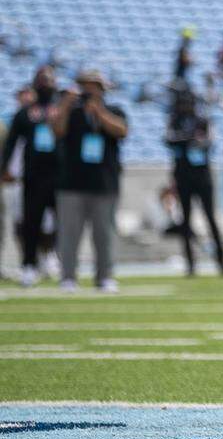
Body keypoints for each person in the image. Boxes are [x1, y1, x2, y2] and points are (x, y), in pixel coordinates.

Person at [51, 69, 129, 293]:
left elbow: (122, 131)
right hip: (71, 182)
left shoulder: (113, 110)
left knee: (104, 234)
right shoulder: (71, 112)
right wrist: (65, 105)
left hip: (104, 183)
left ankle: (104, 276)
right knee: (69, 234)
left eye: (93, 85)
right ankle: (68, 276)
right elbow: (56, 131)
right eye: (84, 85)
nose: (88, 89)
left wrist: (99, 112)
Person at [1, 65, 60, 287]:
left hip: (60, 175)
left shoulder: (62, 109)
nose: (46, 83)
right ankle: (28, 264)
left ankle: (53, 257)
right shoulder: (25, 113)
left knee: (59, 221)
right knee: (30, 223)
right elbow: (11, 143)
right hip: (33, 176)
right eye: (42, 79)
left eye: (49, 79)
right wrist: (4, 168)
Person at [165, 85, 223, 276]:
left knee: (211, 218)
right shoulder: (175, 121)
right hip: (183, 176)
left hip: (202, 177)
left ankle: (222, 262)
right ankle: (190, 263)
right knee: (185, 220)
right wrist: (188, 139)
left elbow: (209, 142)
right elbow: (169, 140)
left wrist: (193, 140)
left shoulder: (202, 121)